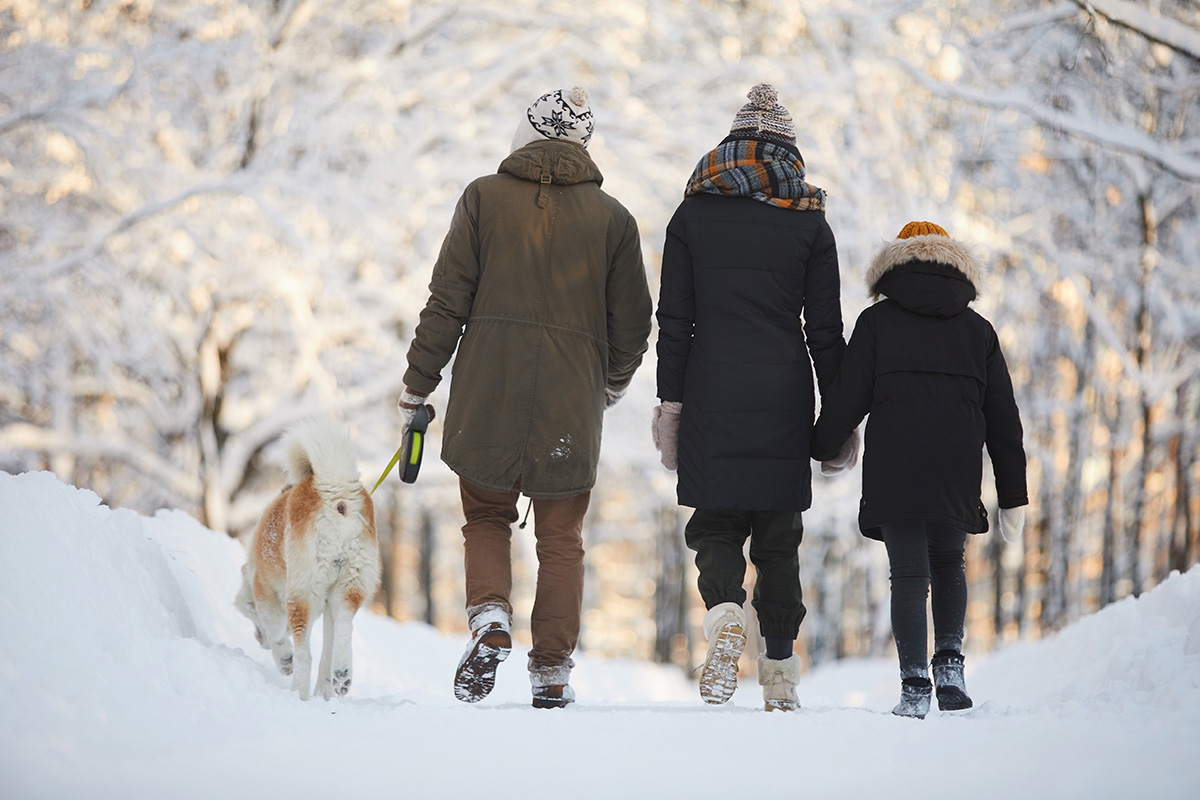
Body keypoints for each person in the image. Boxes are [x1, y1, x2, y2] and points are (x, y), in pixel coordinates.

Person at [399, 87, 653, 709]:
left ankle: (489, 617)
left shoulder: (483, 197)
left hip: (488, 390)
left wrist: (417, 384)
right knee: (560, 537)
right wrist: (610, 383)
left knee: (485, 515)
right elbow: (635, 325)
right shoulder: (614, 220)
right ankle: (552, 672)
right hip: (572, 404)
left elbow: (446, 300)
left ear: (525, 135)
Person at [652, 84, 853, 711]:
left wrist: (671, 406)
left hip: (711, 386)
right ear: (789, 150)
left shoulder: (692, 215)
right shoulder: (809, 220)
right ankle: (780, 674)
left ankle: (723, 619)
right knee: (778, 536)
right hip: (783, 391)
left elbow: (674, 323)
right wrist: (839, 417)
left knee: (714, 522)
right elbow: (825, 331)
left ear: (730, 145)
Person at [811, 221, 1028, 718]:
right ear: (956, 265)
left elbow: (847, 399)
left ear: (895, 263)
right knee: (949, 563)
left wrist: (821, 446)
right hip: (955, 465)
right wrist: (1013, 493)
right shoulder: (979, 332)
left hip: (895, 464)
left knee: (908, 574)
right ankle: (950, 663)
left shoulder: (877, 323)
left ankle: (913, 684)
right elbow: (1004, 421)